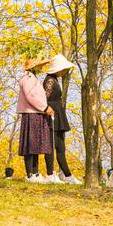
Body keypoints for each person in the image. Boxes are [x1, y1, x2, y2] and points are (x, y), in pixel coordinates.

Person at [43, 54, 82, 185]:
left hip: (59, 115)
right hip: (52, 114)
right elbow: (44, 98)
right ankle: (50, 174)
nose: (64, 71)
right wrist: (47, 109)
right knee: (51, 145)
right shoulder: (49, 80)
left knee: (60, 147)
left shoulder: (54, 80)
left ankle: (68, 175)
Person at [17, 53, 54, 183]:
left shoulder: (33, 78)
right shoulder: (27, 78)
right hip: (32, 113)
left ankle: (35, 172)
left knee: (36, 145)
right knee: (30, 145)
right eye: (40, 65)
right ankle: (30, 174)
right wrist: (44, 107)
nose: (42, 67)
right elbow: (31, 96)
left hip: (37, 113)